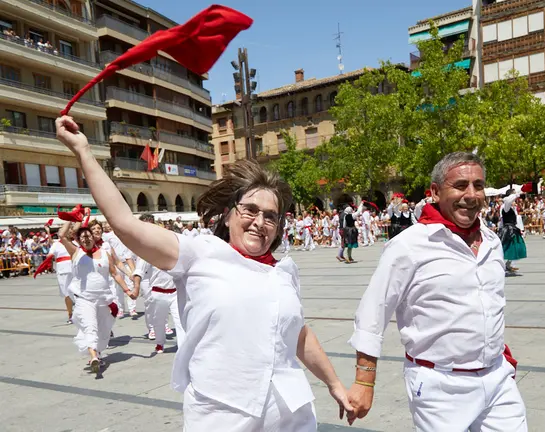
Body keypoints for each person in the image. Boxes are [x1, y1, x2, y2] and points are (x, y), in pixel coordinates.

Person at [55, 116, 352, 430]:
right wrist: (83, 151)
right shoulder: (200, 253)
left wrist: (334, 384)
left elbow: (299, 334)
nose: (259, 222)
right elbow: (126, 225)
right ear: (228, 214)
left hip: (290, 416)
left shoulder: (283, 273)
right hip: (222, 416)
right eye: (250, 210)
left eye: (271, 216)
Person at [347, 152, 527, 431]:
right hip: (440, 387)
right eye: (460, 185)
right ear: (435, 192)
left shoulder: (492, 241)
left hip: (497, 379)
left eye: (478, 185)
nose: (471, 194)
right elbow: (373, 313)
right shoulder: (409, 245)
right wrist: (364, 381)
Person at [58, 219, 129, 373]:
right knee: (90, 327)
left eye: (88, 236)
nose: (86, 239)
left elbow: (115, 273)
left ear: (93, 237)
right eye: (82, 237)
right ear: (79, 240)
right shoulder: (76, 252)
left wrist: (127, 290)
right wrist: (70, 219)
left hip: (103, 299)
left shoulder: (104, 253)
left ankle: (97, 352)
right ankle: (94, 357)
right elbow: (62, 236)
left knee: (104, 330)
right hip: (85, 299)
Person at [498, 187, 527, 273]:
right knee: (508, 247)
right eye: (513, 195)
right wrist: (517, 194)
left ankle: (508, 264)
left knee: (516, 247)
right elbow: (508, 200)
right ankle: (502, 265)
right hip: (508, 230)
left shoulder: (511, 206)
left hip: (512, 229)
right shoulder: (506, 206)